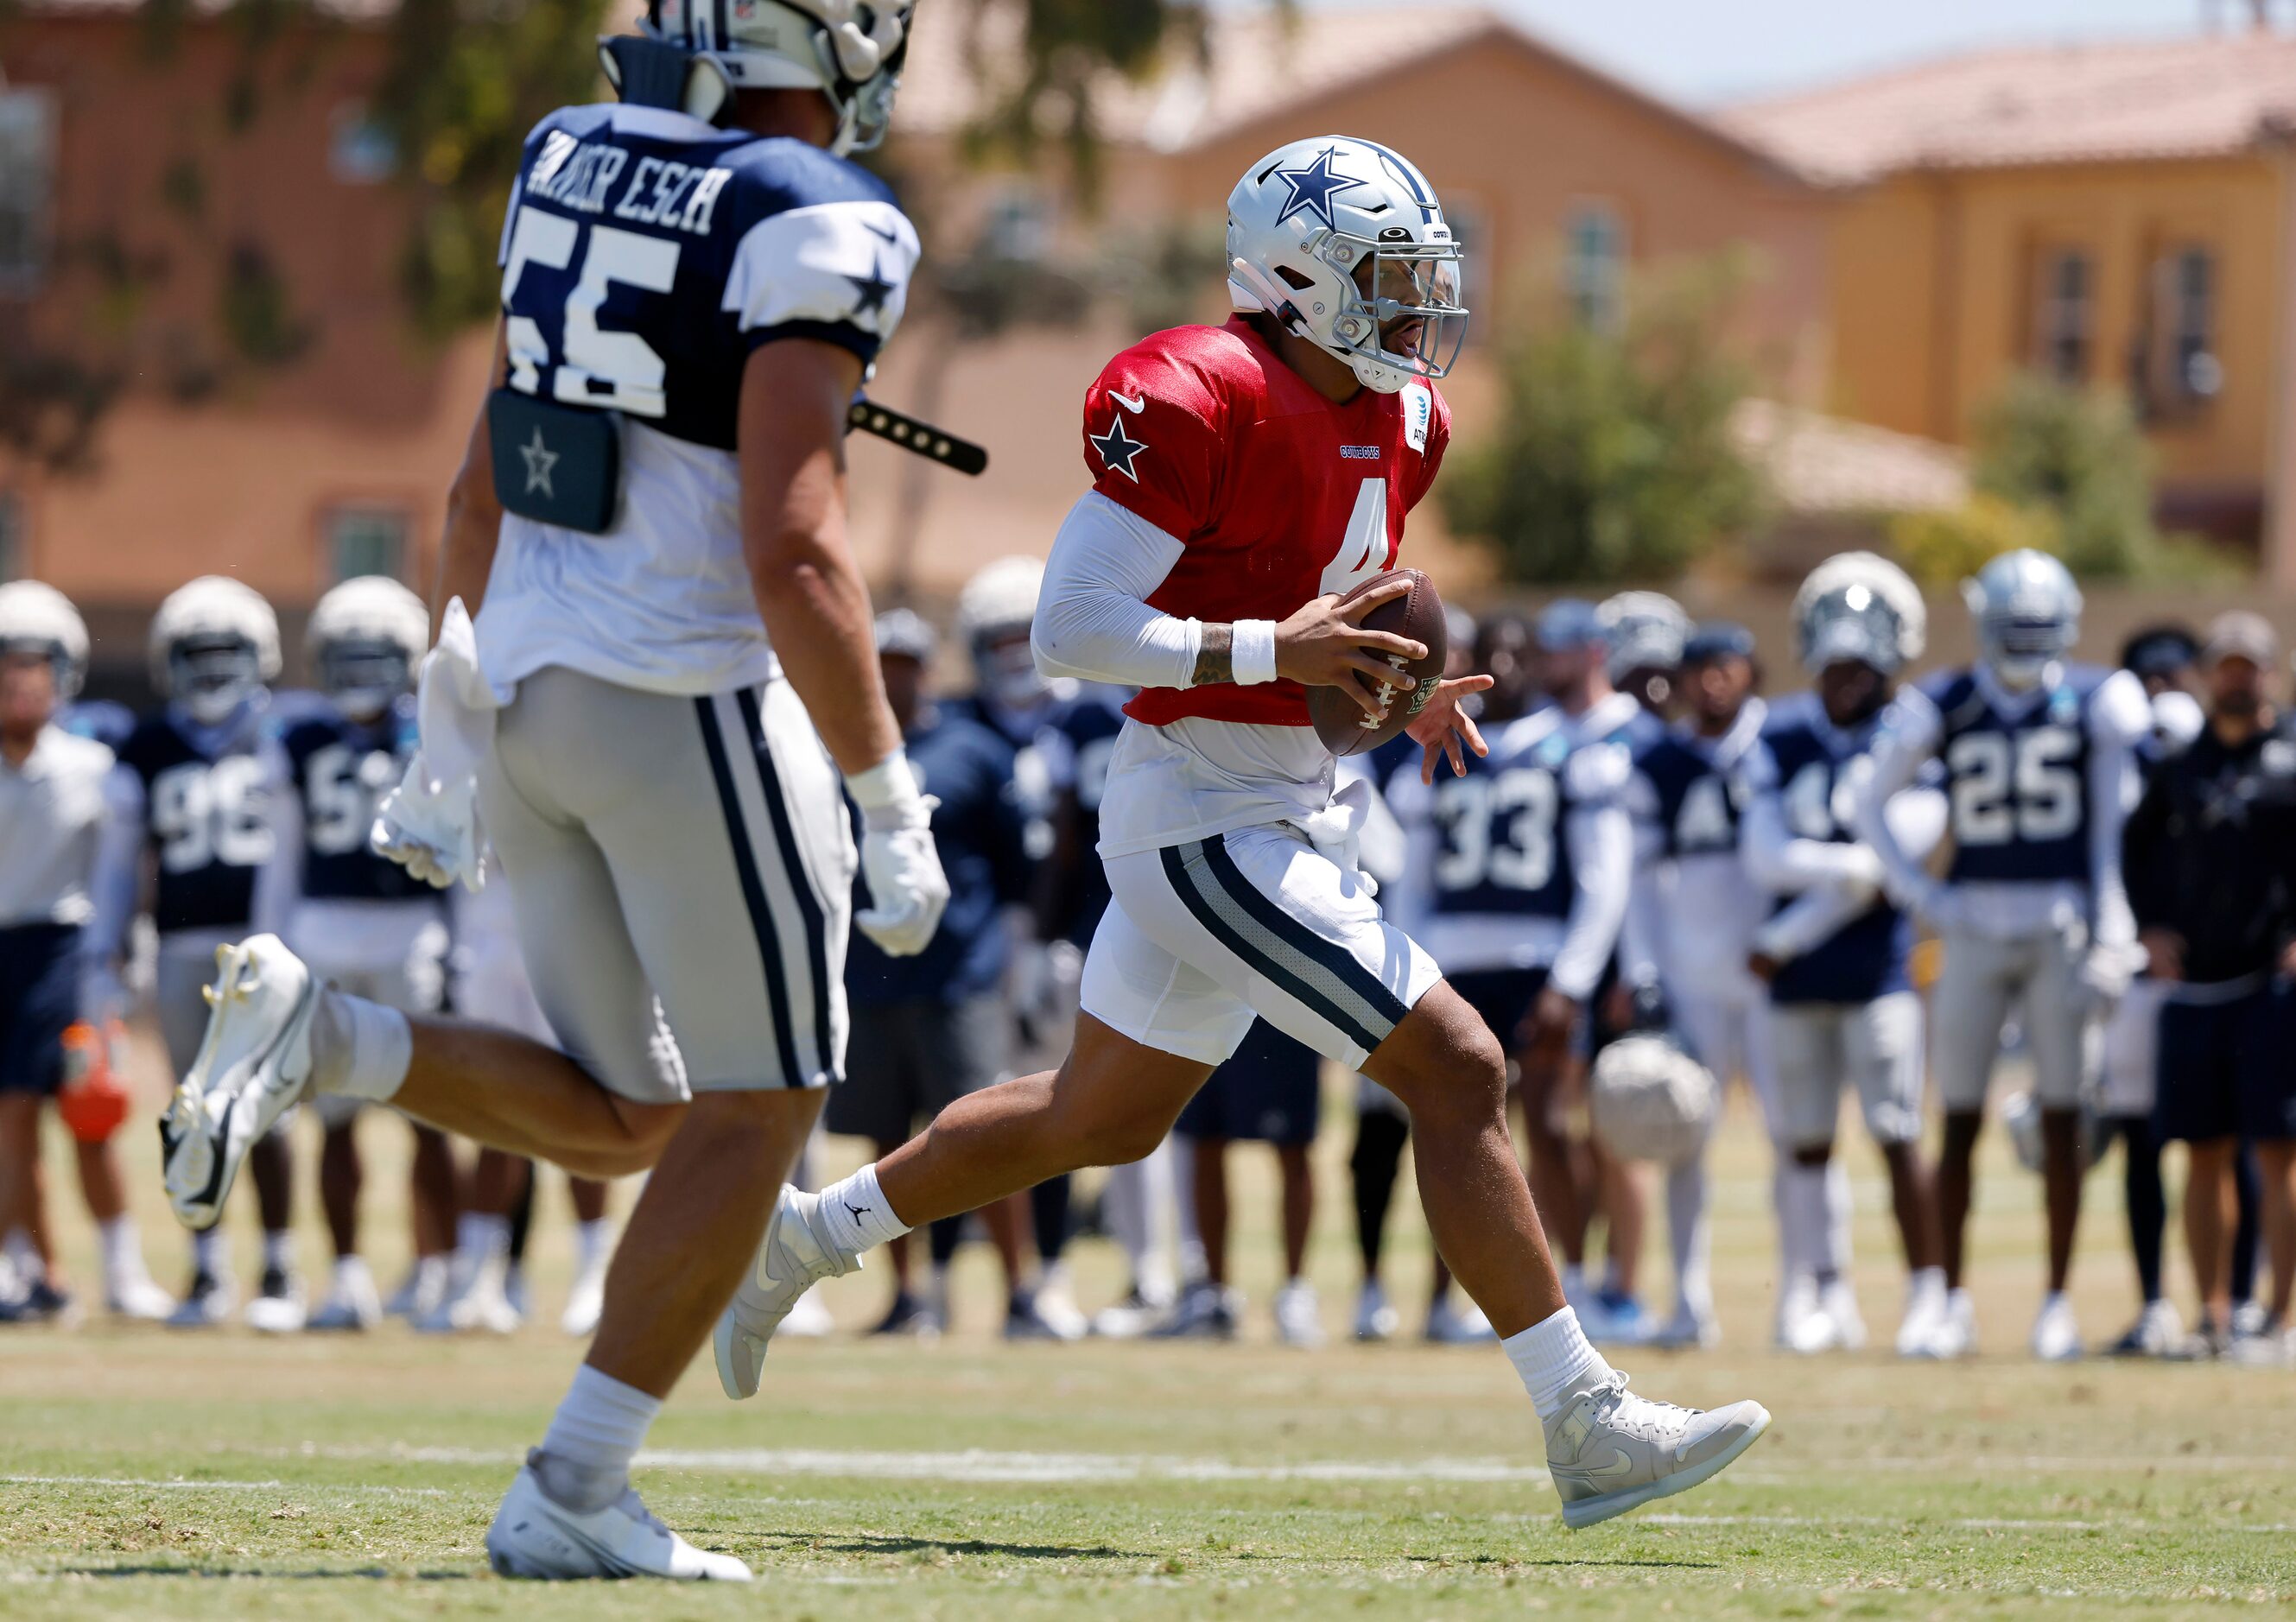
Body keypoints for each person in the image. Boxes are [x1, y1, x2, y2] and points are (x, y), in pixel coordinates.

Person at [718, 133, 1768, 1532]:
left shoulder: (1407, 417)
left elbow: (1341, 585)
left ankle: (798, 1237)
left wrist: (1392, 687)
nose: (1414, 312)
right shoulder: (1200, 387)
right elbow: (1071, 626)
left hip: (1286, 796)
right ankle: (1585, 1421)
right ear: (1291, 278)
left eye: (1420, 280)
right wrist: (1281, 648)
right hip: (1202, 805)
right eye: (1385, 280)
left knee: (1093, 1115)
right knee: (1456, 1067)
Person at [162, 0, 946, 1580]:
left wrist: (449, 728)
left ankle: (326, 1035)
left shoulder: (567, 151)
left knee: (636, 1113)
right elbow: (792, 548)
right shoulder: (820, 217)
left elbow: (480, 479)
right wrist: (882, 792)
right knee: (764, 1099)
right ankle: (577, 1482)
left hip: (520, 683)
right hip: (676, 702)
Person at [1856, 549, 2149, 1360]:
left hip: (2061, 920)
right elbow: (1868, 801)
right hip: (1976, 922)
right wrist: (1924, 895)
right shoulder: (1942, 701)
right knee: (1957, 1114)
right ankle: (1949, 1299)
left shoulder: (2099, 700)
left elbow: (2108, 839)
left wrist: (2111, 925)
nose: (2025, 643)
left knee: (2063, 1116)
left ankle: (2055, 1302)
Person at [829, 607, 1070, 1340]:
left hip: (960, 974)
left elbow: (1013, 862)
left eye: (907, 664)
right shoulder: (839, 750)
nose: (895, 678)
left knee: (985, 1135)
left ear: (927, 670)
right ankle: (910, 1298)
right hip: (868, 974)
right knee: (885, 1141)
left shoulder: (974, 749)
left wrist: (1018, 949)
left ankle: (1019, 1290)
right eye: (884, 665)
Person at [1740, 554, 1951, 1359]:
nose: (1846, 681)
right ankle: (1810, 1290)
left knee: (1898, 1133)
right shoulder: (1784, 730)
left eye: (1862, 667)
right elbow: (1769, 857)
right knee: (1804, 1142)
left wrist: (1781, 935)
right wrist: (1852, 869)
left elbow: (1899, 861)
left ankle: (1929, 1294)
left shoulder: (1913, 732)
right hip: (1796, 984)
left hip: (1876, 973)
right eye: (1835, 666)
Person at [254, 577, 458, 1334]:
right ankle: (347, 1276)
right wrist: (269, 946)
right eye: (349, 656)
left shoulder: (431, 734)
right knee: (333, 1119)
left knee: (430, 1114)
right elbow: (280, 857)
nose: (363, 672)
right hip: (325, 932)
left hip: (410, 929)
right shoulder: (299, 737)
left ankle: (436, 1272)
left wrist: (458, 941)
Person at [100, 576, 303, 1331]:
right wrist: (112, 946)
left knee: (270, 1110)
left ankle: (280, 1267)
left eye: (229, 655)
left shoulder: (286, 734)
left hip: (266, 951)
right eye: (199, 656)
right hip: (182, 944)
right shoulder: (148, 744)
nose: (214, 672)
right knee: (194, 1112)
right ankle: (207, 1270)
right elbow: (122, 861)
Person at [1618, 620, 1809, 1350]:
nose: (1711, 681)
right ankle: (1689, 1299)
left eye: (1723, 666)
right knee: (1684, 1140)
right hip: (1693, 976)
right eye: (1698, 669)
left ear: (1751, 671)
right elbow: (1639, 881)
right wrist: (1645, 972)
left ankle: (1806, 1295)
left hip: (1773, 972)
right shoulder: (1659, 759)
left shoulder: (1783, 741)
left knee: (1796, 1137)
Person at [2122, 611, 2296, 1365]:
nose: (2236, 676)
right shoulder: (2179, 766)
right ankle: (2215, 1314)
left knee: (2278, 1152)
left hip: (2273, 986)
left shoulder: (2292, 760)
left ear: (2269, 673)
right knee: (2201, 1151)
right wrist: (2151, 928)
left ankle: (2283, 1318)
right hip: (2196, 989)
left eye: (2247, 665)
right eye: (2224, 664)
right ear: (2206, 674)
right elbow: (2135, 853)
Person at [0, 581, 174, 1324]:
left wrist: (115, 969)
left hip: (64, 952)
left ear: (63, 676)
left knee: (91, 1115)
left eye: (34, 670)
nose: (19, 686)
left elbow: (118, 881)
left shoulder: (94, 769)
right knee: (11, 1118)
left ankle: (122, 1268)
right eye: (7, 670)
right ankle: (33, 1270)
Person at [1353, 609, 1515, 1346]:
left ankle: (1447, 1300)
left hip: (1438, 952)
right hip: (1364, 944)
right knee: (1375, 1135)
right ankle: (1368, 1286)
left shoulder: (1470, 744)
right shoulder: (1358, 734)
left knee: (1458, 1122)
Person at [942, 557, 1087, 1337]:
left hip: (1077, 942)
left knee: (1071, 1106)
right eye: (996, 643)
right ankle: (1007, 1274)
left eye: (1023, 640)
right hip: (987, 939)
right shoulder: (962, 730)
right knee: (992, 1100)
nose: (1012, 659)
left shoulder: (1090, 718)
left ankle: (1057, 1269)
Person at [1031, 675, 1182, 1336]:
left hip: (1148, 924)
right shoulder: (1078, 718)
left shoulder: (1185, 683)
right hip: (1114, 925)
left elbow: (1062, 836)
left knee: (1125, 1112)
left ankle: (1149, 1274)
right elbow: (1062, 833)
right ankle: (1090, 1272)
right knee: (1090, 1108)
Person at [2096, 624, 2212, 1357]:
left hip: (2213, 979)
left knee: (2222, 1145)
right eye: (2147, 677)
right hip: (2138, 975)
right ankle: (2153, 1303)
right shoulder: (2112, 760)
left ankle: (2227, 1305)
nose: (2162, 690)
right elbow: (2111, 857)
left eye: (2174, 675)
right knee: (2139, 1142)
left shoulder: (2223, 764)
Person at [450, 874, 618, 1338]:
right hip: (491, 944)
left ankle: (595, 1278)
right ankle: (478, 1280)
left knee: (581, 1116)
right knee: (495, 1120)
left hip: (571, 944)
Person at [1155, 1018, 1325, 1345]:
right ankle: (1214, 1297)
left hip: (1281, 999)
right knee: (1204, 1138)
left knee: (1293, 1145)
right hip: (1209, 999)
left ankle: (1294, 1294)